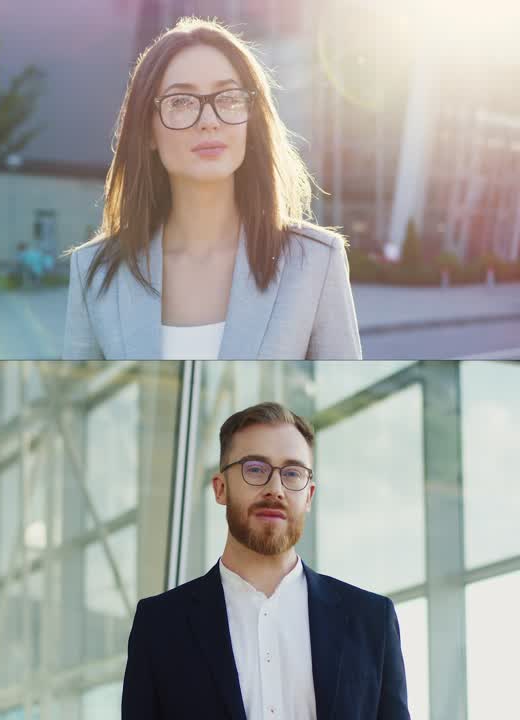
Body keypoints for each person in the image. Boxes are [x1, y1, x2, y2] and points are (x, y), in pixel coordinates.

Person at [63, 19, 361, 360]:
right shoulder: (94, 270)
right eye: (181, 102)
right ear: (147, 131)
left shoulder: (316, 262)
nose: (209, 120)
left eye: (229, 98)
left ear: (252, 119)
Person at [122, 402, 409, 719]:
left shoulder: (371, 621)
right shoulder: (160, 625)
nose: (276, 489)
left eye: (292, 473)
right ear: (220, 489)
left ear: (309, 495)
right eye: (255, 469)